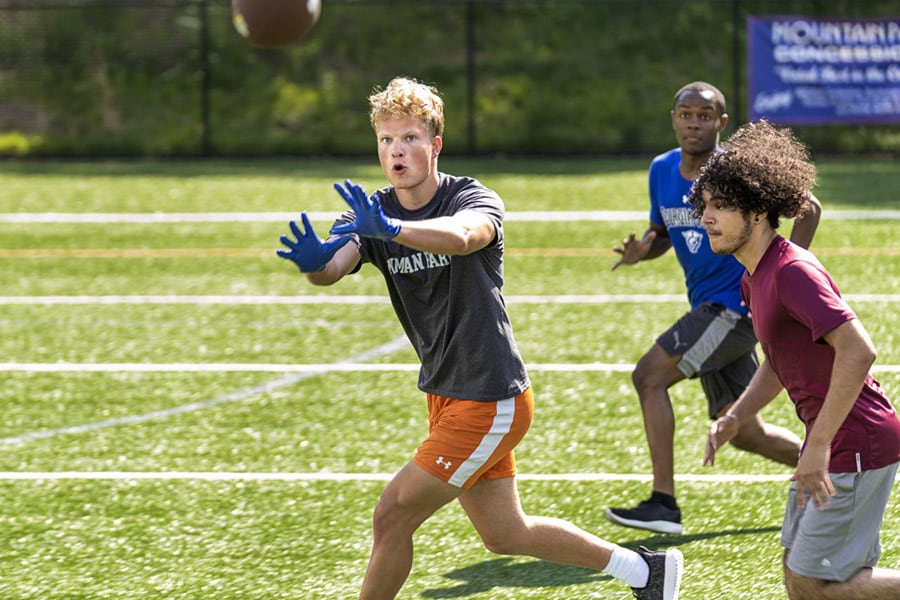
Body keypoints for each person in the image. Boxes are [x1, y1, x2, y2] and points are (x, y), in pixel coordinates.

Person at [277, 76, 683, 600]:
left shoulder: (471, 197)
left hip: (490, 394)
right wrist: (316, 264)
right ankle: (647, 573)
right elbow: (335, 265)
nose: (396, 151)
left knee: (393, 513)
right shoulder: (371, 211)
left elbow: (465, 236)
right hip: (447, 393)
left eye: (409, 139)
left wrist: (392, 230)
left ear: (435, 144)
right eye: (386, 140)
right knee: (505, 534)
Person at [605, 81, 821, 535]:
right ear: (673, 118)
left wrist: (778, 278)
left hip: (733, 309)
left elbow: (809, 208)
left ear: (722, 124)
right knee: (742, 430)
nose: (694, 123)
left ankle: (663, 502)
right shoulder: (661, 169)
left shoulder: (734, 170)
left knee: (648, 376)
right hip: (709, 306)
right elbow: (662, 232)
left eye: (705, 115)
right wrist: (641, 251)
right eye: (686, 114)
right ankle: (840, 471)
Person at [696, 118, 900, 600]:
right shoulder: (754, 276)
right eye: (705, 205)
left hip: (855, 441)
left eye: (722, 207)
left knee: (815, 587)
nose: (707, 217)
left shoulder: (792, 272)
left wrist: (819, 446)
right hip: (838, 438)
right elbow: (780, 359)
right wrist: (736, 416)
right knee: (798, 574)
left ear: (761, 210)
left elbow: (858, 350)